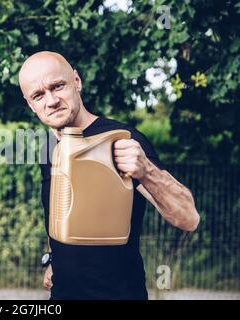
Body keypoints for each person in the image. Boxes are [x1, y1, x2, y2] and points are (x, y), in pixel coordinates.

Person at [18, 51, 200, 300]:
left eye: (57, 86)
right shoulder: (49, 147)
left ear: (76, 81)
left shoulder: (120, 140)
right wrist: (53, 258)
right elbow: (61, 211)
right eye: (38, 95)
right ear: (30, 103)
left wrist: (146, 171)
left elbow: (188, 219)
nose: (51, 101)